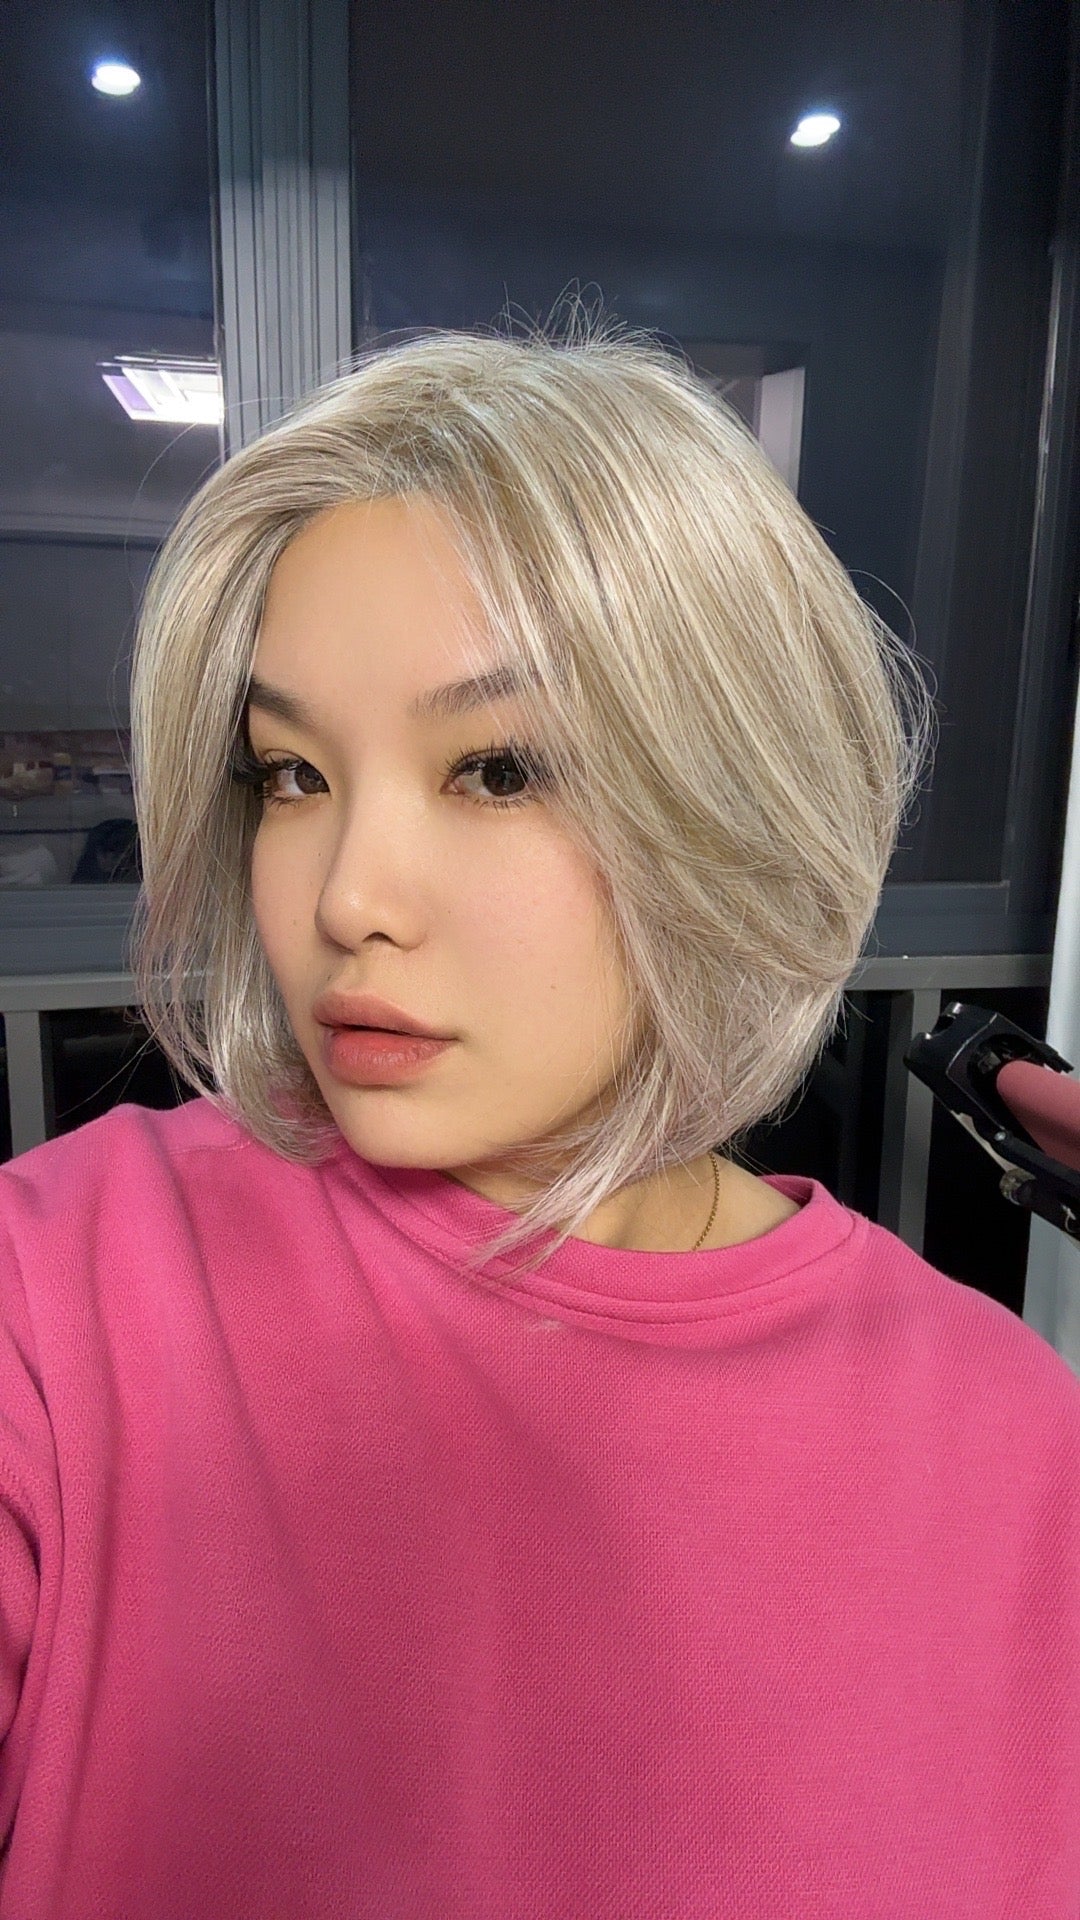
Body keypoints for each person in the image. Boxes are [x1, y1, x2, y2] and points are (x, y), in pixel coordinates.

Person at [0, 308, 1076, 1918]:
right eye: (291, 774)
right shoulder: (67, 1289)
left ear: (734, 800)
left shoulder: (1015, 1442)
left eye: (497, 771)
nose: (347, 897)